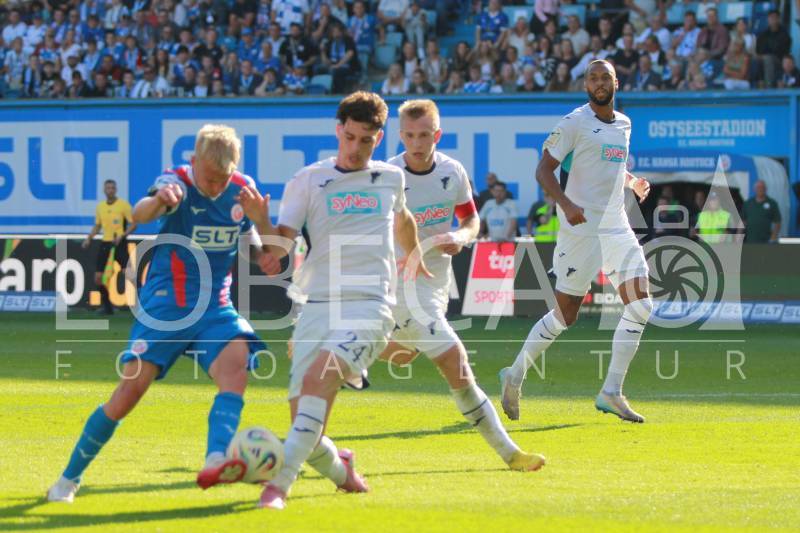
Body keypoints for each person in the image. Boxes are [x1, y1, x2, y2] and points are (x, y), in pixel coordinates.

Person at [48, 125, 280, 503]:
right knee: (129, 393)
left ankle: (216, 459)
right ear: (194, 161)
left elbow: (251, 242)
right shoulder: (176, 181)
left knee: (236, 368)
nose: (216, 186)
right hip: (165, 306)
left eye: (222, 179)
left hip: (215, 307)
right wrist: (159, 200)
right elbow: (140, 213)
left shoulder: (242, 189)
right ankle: (68, 479)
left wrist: (263, 243)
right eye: (209, 177)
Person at [237, 92, 430, 510]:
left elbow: (403, 218)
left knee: (316, 382)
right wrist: (260, 221)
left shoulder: (390, 178)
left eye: (366, 140)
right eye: (350, 137)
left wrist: (415, 255)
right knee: (306, 425)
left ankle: (277, 487)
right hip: (317, 306)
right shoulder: (308, 179)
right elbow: (278, 251)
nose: (356, 148)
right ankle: (344, 473)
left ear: (379, 139)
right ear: (338, 130)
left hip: (371, 305)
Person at [379, 98, 545, 472]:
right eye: (409, 135)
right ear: (400, 135)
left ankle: (344, 344)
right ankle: (510, 453)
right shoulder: (388, 175)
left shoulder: (452, 171)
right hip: (403, 281)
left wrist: (461, 236)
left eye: (424, 135)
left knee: (404, 354)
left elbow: (471, 221)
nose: (416, 143)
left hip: (437, 281)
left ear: (437, 135)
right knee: (455, 359)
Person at [499, 60, 653, 423]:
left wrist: (632, 182)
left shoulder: (624, 124)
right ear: (585, 84)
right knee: (566, 315)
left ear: (616, 83)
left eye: (605, 77)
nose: (599, 83)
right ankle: (514, 374)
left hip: (615, 224)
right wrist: (566, 205)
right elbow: (543, 170)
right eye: (592, 78)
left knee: (642, 304)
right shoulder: (573, 122)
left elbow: (610, 167)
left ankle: (611, 391)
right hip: (580, 227)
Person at [81, 179, 137, 314]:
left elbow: (134, 224)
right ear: (104, 190)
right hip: (105, 243)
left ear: (116, 190)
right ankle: (107, 307)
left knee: (130, 274)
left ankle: (142, 305)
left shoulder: (123, 205)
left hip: (120, 243)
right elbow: (97, 225)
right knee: (98, 278)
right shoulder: (100, 207)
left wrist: (122, 236)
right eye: (108, 188)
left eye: (112, 188)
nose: (110, 190)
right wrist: (88, 239)